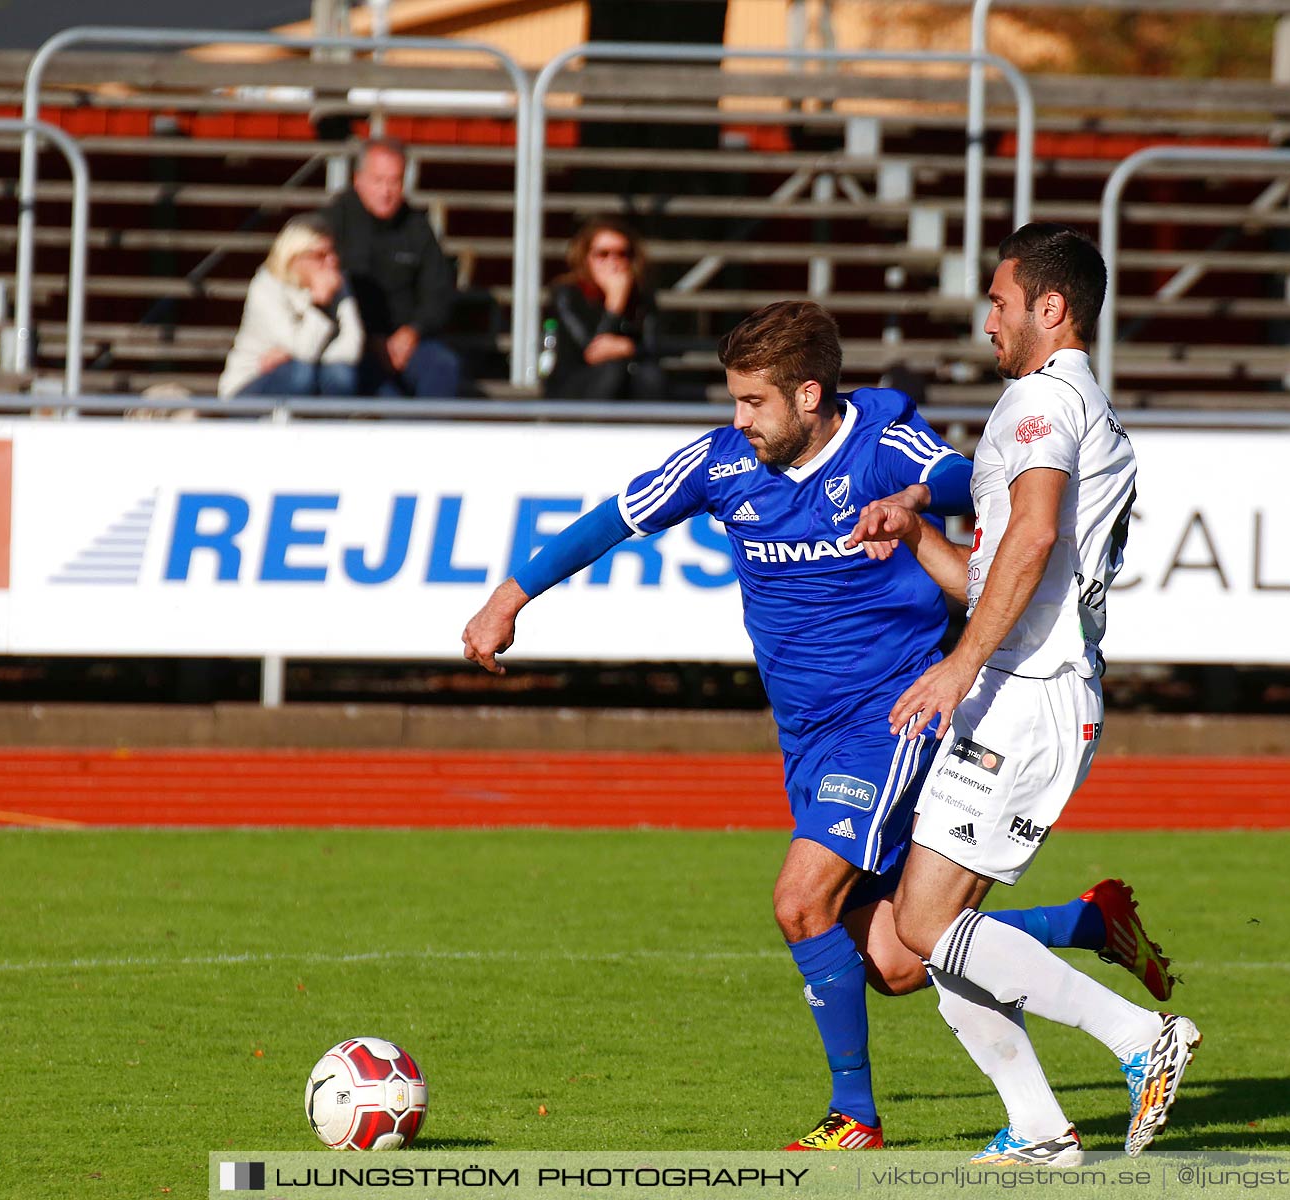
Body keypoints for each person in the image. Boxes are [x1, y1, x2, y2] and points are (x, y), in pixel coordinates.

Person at [461, 300, 1177, 1151]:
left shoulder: (879, 446)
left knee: (802, 902)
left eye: (753, 403)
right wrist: (512, 596)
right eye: (732, 401)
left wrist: (912, 500)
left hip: (892, 719)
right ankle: (1087, 923)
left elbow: (967, 479)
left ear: (808, 396)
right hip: (806, 737)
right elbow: (611, 519)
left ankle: (857, 1115)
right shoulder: (723, 464)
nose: (738, 420)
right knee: (900, 960)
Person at [847, 224, 1198, 1163]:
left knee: (919, 927)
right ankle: (1040, 1128)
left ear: (1052, 308)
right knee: (928, 930)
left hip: (1022, 691)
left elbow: (1033, 539)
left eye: (1001, 301)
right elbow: (1000, 571)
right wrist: (916, 529)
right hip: (1026, 684)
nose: (988, 319)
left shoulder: (1040, 401)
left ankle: (1140, 1037)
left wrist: (959, 667)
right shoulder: (1073, 405)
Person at [321, 138, 467, 397]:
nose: (386, 191)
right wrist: (369, 341)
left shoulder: (417, 228)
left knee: (443, 366)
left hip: (408, 344)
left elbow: (437, 291)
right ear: (358, 179)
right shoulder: (333, 224)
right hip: (349, 342)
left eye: (395, 181)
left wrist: (413, 331)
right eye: (378, 180)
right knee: (382, 395)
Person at [218, 215, 366, 398]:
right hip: (252, 382)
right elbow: (303, 353)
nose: (331, 261)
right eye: (320, 255)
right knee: (300, 374)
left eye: (332, 253)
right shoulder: (265, 287)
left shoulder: (337, 283)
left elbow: (353, 347)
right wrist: (319, 304)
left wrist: (295, 356)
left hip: (309, 372)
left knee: (341, 374)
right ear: (295, 257)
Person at [543, 217, 668, 400]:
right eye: (603, 254)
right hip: (575, 383)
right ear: (586, 258)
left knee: (650, 376)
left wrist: (629, 348)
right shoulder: (566, 293)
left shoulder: (641, 296)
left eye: (622, 254)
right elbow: (592, 351)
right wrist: (615, 303)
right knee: (612, 370)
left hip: (628, 376)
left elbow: (652, 346)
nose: (613, 262)